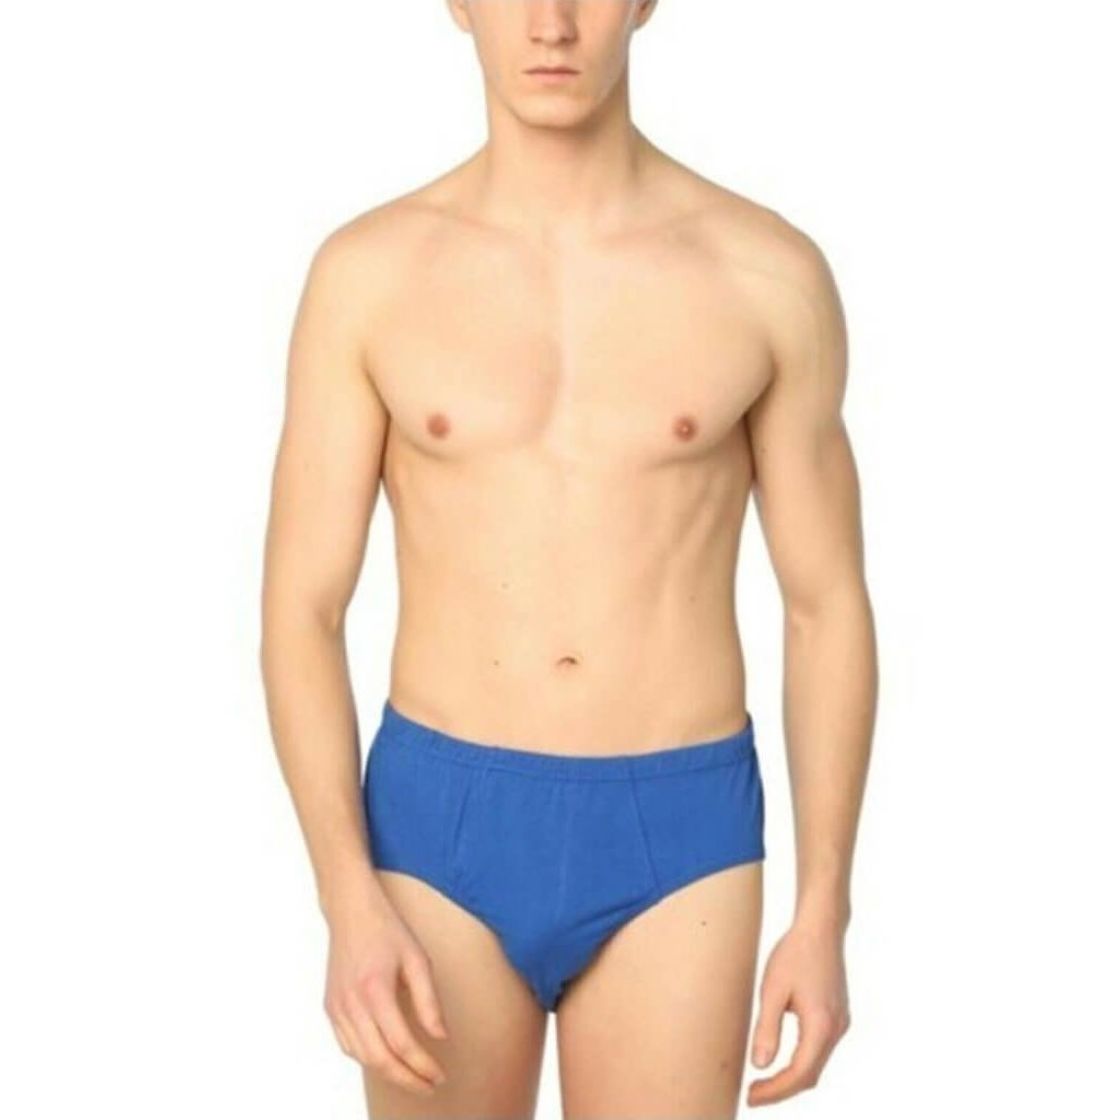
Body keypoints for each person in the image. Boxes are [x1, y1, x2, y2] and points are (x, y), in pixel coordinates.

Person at [260, 1, 877, 1116]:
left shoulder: (764, 273)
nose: (550, 23)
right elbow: (302, 608)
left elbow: (824, 604)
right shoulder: (369, 275)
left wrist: (823, 909)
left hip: (678, 832)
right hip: (435, 827)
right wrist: (343, 895)